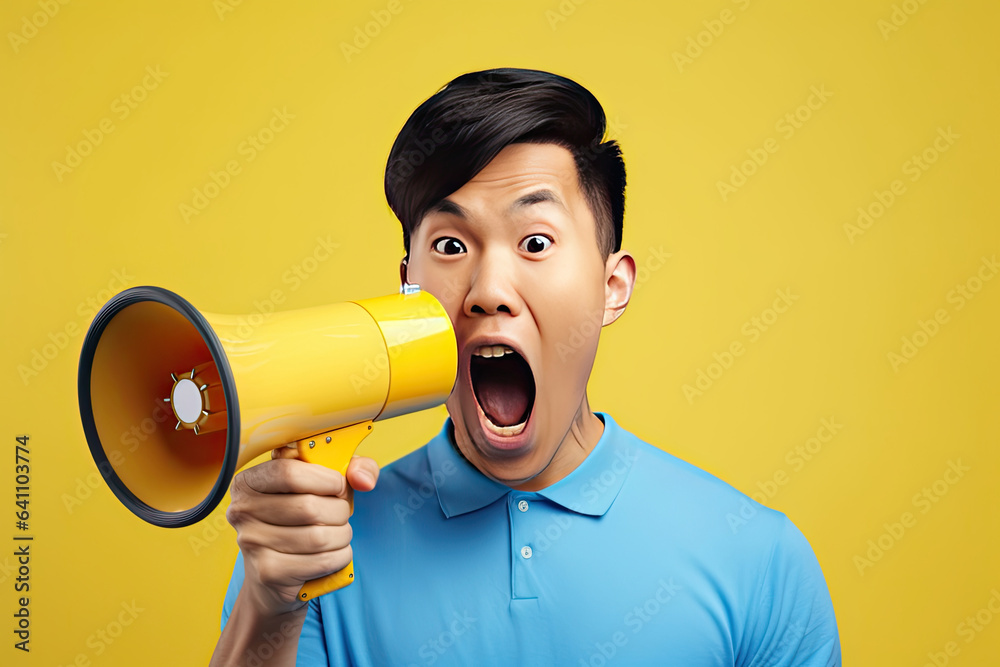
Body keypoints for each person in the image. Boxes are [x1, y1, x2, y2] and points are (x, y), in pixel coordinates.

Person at [211, 68, 841, 666]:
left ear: (610, 286)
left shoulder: (758, 556)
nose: (489, 289)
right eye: (451, 246)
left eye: (535, 242)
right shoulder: (308, 546)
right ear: (407, 292)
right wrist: (267, 607)